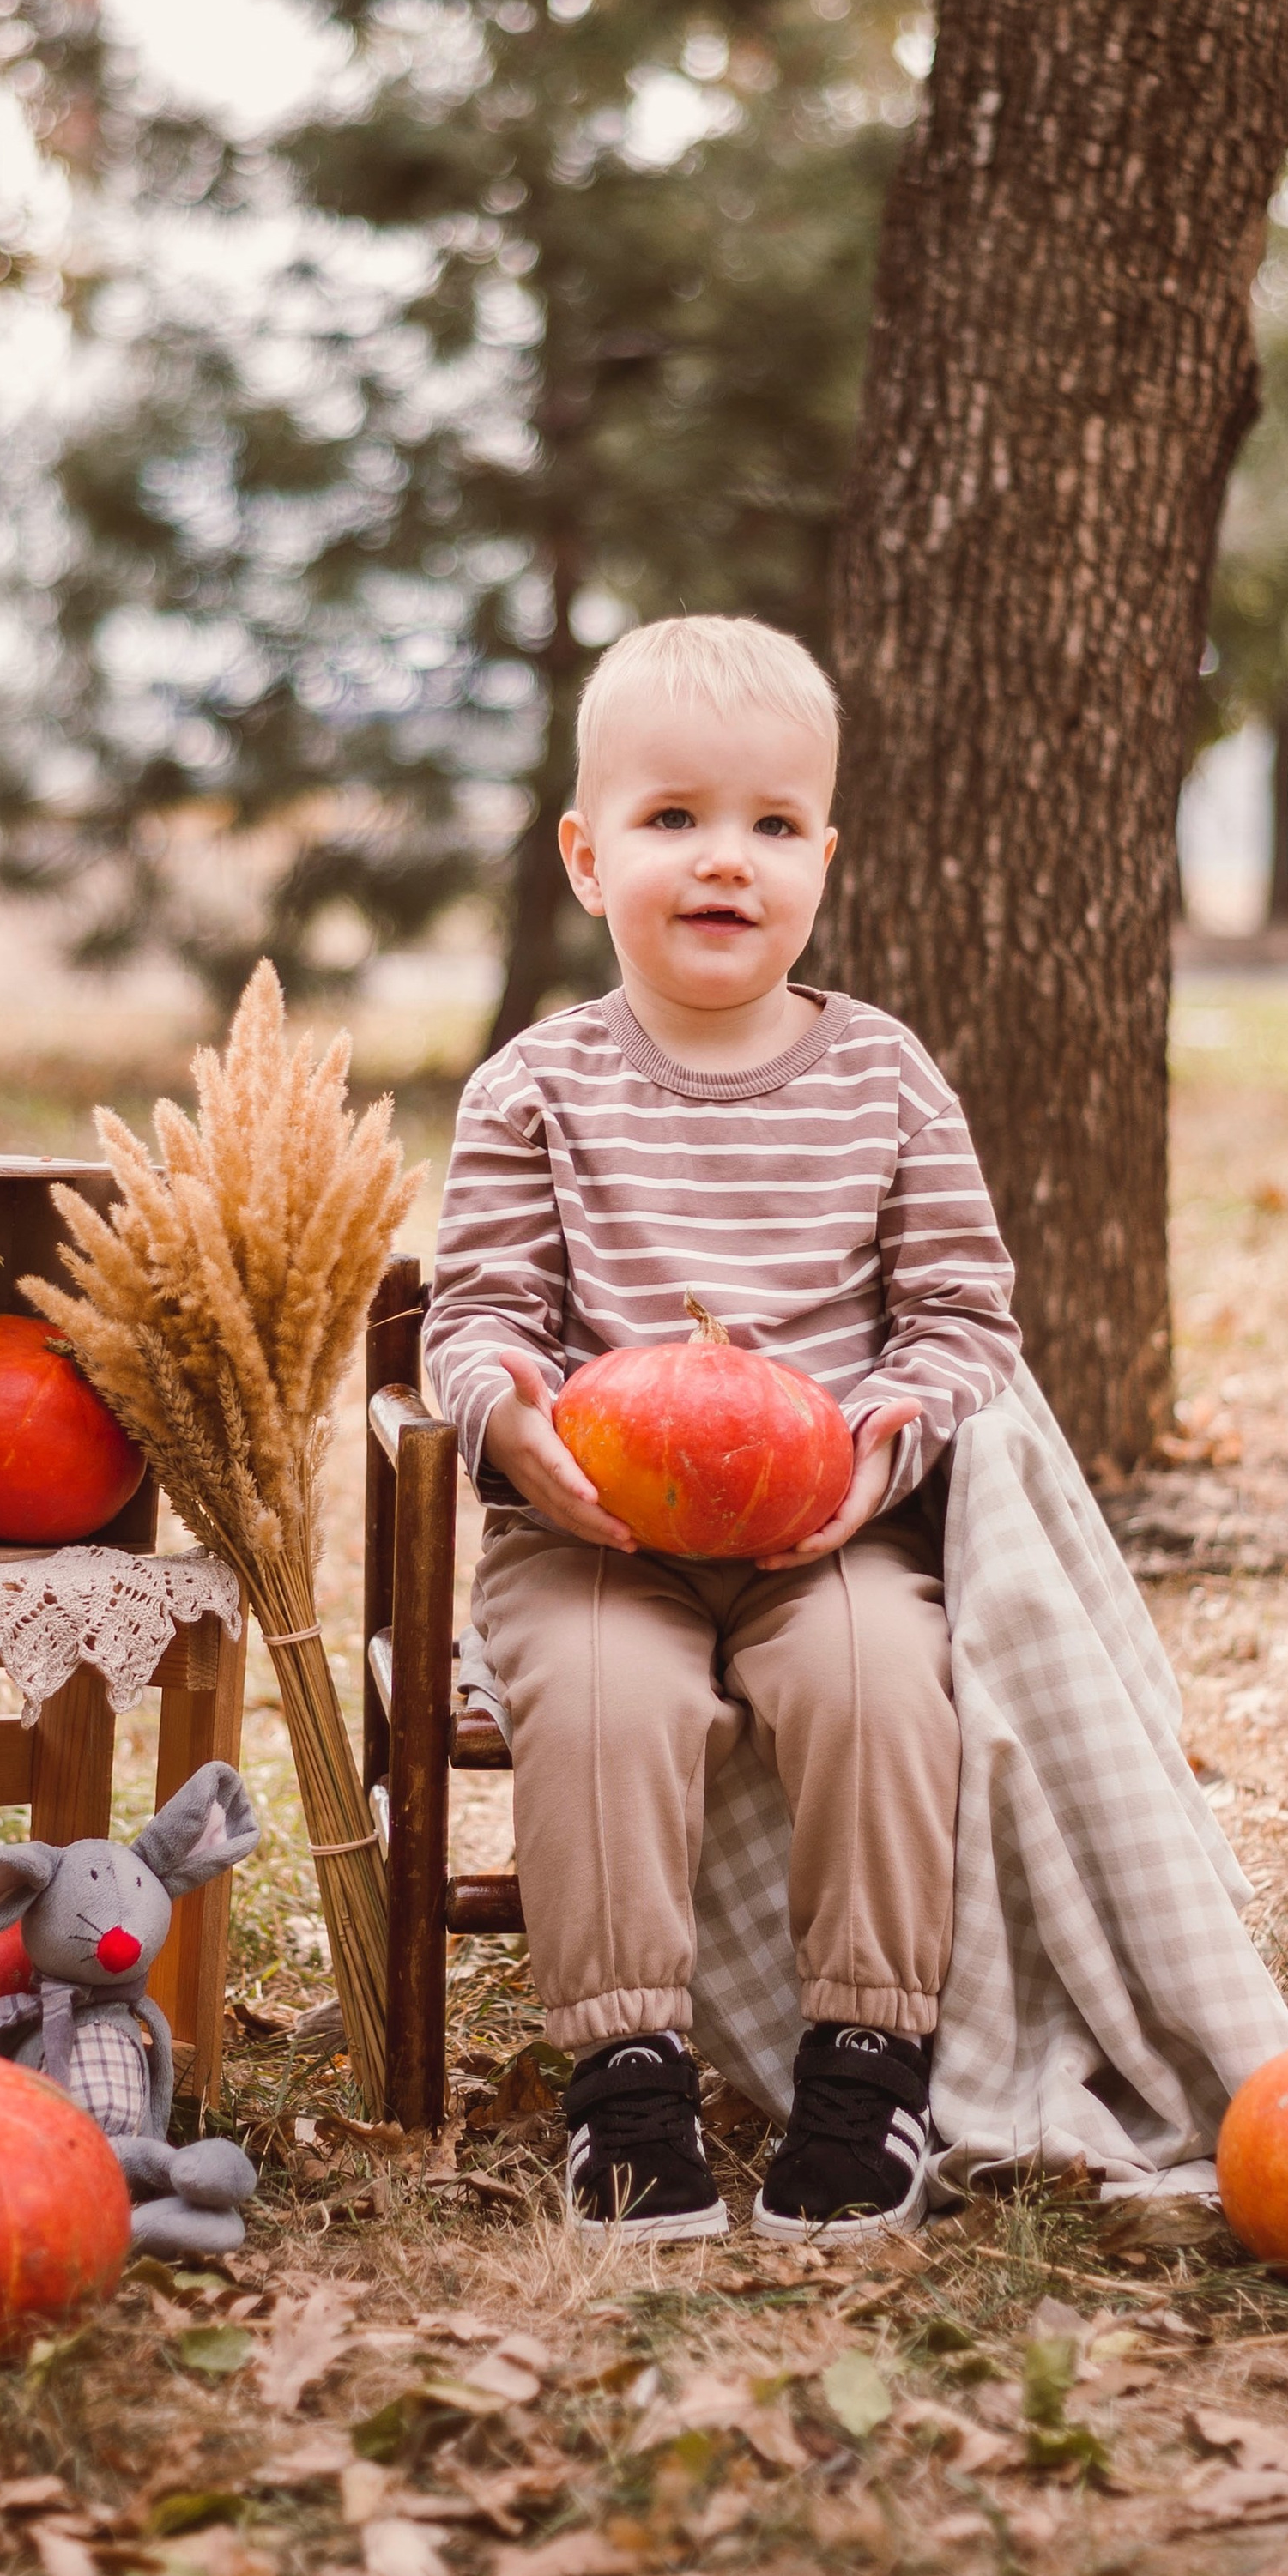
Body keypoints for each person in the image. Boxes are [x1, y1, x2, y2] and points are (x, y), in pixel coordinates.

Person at [420, 615, 1019, 2241]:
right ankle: (625, 2074)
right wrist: (508, 1420)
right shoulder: (534, 1089)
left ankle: (865, 2058)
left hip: (824, 1525)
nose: (723, 861)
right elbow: (471, 1315)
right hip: (595, 1534)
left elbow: (964, 1319)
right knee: (609, 1698)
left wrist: (885, 1444)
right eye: (671, 818)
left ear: (824, 856)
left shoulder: (887, 1078)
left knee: (882, 1683)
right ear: (585, 855)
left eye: (770, 824)